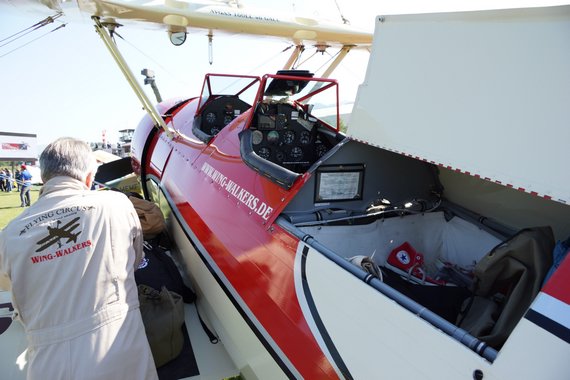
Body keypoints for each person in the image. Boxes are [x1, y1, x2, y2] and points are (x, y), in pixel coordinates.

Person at [0, 137, 158, 380]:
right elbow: (134, 260)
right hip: (118, 350)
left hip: (45, 365)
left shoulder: (9, 233)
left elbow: (10, 287)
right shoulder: (115, 203)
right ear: (88, 177)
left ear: (44, 177)